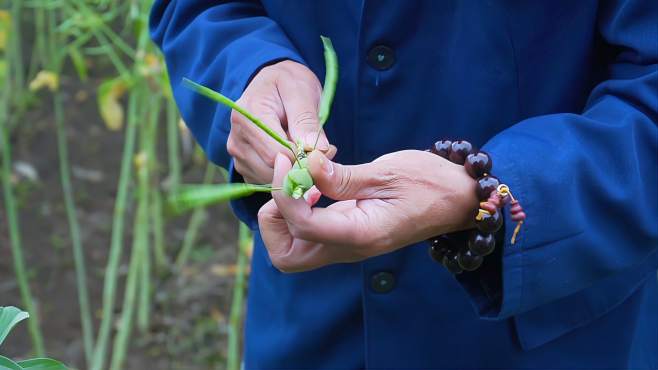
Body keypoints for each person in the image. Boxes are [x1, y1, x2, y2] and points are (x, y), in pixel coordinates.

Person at [150, 1, 658, 369]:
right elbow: (197, 9)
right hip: (311, 321)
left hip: (550, 330)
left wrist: (488, 191)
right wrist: (251, 71)